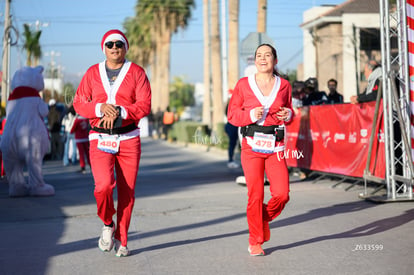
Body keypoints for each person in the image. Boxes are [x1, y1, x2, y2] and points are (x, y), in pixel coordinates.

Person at [73, 29, 151, 257]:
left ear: (125, 47)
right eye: (110, 44)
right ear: (104, 48)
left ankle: (122, 238)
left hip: (128, 138)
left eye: (119, 43)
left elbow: (145, 104)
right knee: (103, 186)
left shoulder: (136, 72)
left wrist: (120, 110)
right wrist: (99, 108)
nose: (114, 47)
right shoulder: (92, 73)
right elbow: (79, 103)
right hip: (100, 138)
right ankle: (108, 222)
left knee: (127, 191)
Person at [227, 43, 293, 256]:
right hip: (251, 146)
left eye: (267, 55)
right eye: (259, 55)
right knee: (255, 195)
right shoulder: (243, 84)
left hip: (276, 145)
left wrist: (288, 116)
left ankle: (262, 217)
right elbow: (232, 116)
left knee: (282, 194)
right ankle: (255, 241)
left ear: (275, 60)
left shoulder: (284, 85)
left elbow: (290, 109)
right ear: (254, 60)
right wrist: (249, 116)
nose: (263, 58)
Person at [0, 66, 55, 197]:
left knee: (14, 166)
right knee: (33, 161)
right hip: (30, 136)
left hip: (9, 136)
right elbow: (44, 111)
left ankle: (16, 186)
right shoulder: (34, 97)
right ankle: (37, 185)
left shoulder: (11, 99)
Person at [224, 99, 239, 169]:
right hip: (233, 126)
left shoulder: (229, 103)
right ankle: (231, 161)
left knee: (233, 144)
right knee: (232, 144)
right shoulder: (232, 104)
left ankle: (231, 160)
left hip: (231, 125)